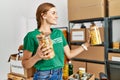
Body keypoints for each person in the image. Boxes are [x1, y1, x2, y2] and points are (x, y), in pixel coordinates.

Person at [22, 2, 90, 80]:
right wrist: (37, 57)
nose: (56, 16)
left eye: (56, 13)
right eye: (53, 13)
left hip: (59, 74)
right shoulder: (31, 36)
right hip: (43, 76)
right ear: (43, 15)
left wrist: (86, 45)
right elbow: (25, 64)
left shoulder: (59, 33)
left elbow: (69, 54)